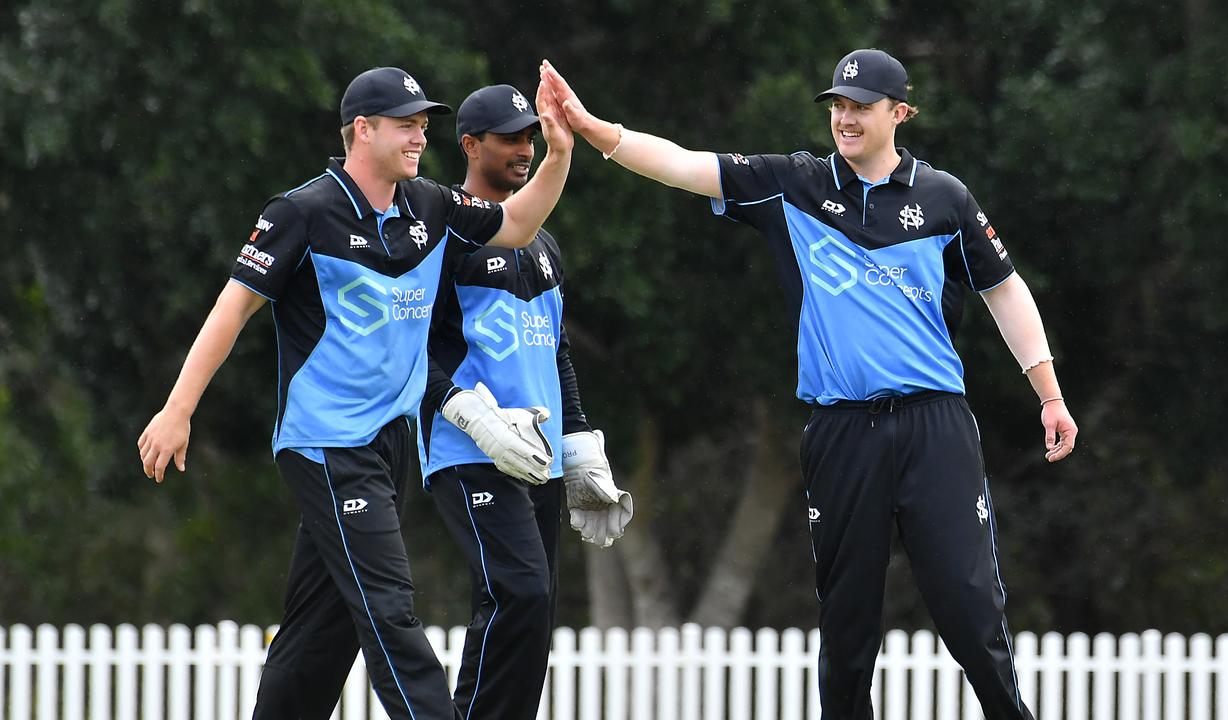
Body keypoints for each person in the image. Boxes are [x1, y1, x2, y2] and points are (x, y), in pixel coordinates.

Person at [540, 51, 1077, 720]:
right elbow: (684, 164)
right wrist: (597, 132)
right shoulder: (793, 184)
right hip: (842, 430)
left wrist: (1048, 394)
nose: (845, 119)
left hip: (934, 426)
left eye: (861, 106)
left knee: (970, 611)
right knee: (848, 626)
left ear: (899, 113)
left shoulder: (943, 197)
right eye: (837, 106)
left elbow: (1004, 289)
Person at [136, 65, 574, 720]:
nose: (420, 137)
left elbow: (516, 223)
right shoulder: (301, 212)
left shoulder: (427, 204)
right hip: (326, 442)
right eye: (406, 125)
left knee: (325, 625)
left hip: (390, 445)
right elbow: (233, 309)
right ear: (361, 130)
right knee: (388, 606)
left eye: (424, 125)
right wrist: (178, 409)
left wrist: (561, 153)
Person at [419, 83, 633, 720]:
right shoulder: (445, 232)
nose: (522, 149)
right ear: (469, 145)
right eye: (509, 138)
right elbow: (412, 353)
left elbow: (556, 351)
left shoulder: (541, 243)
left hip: (537, 458)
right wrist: (469, 415)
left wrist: (581, 442)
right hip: (468, 452)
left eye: (528, 138)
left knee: (534, 614)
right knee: (518, 593)